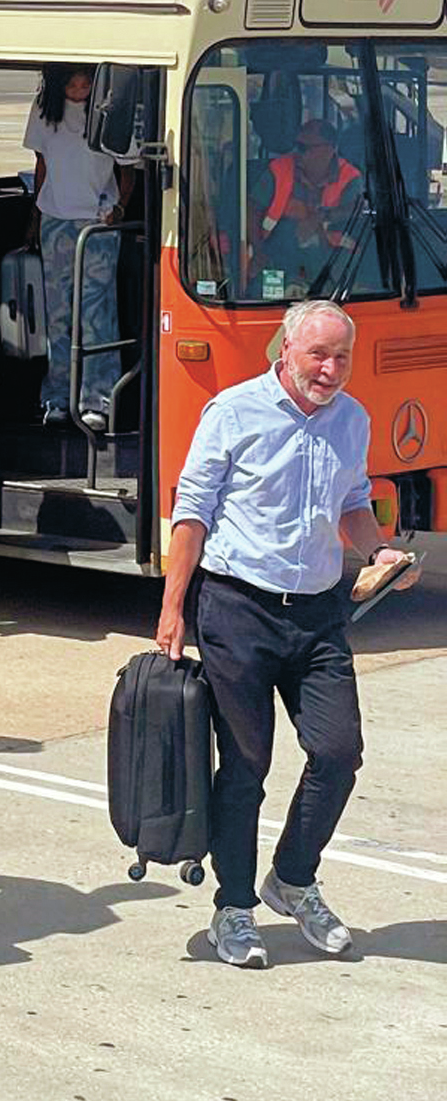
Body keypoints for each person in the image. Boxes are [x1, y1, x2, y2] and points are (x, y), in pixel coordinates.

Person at [156, 300, 420, 969]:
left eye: (341, 357)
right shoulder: (233, 412)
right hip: (237, 608)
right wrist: (172, 608)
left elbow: (354, 503)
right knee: (245, 765)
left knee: (339, 751)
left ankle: (292, 877)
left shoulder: (352, 419)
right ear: (286, 349)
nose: (330, 370)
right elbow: (191, 513)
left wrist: (379, 552)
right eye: (318, 355)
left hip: (318, 612)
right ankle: (234, 908)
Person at [25, 63, 137, 430]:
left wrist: (118, 209)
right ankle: (58, 396)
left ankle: (99, 399)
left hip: (97, 224)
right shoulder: (45, 111)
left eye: (86, 81)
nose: (80, 88)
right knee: (58, 315)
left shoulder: (110, 113)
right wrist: (35, 216)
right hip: (55, 220)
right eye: (72, 82)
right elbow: (41, 164)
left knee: (96, 314)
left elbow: (128, 167)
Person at [248, 118, 364, 294]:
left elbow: (355, 211)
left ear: (330, 149)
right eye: (297, 146)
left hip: (331, 260)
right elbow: (251, 210)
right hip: (278, 254)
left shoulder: (351, 177)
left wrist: (320, 218)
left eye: (304, 148)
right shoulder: (278, 170)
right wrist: (258, 250)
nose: (298, 153)